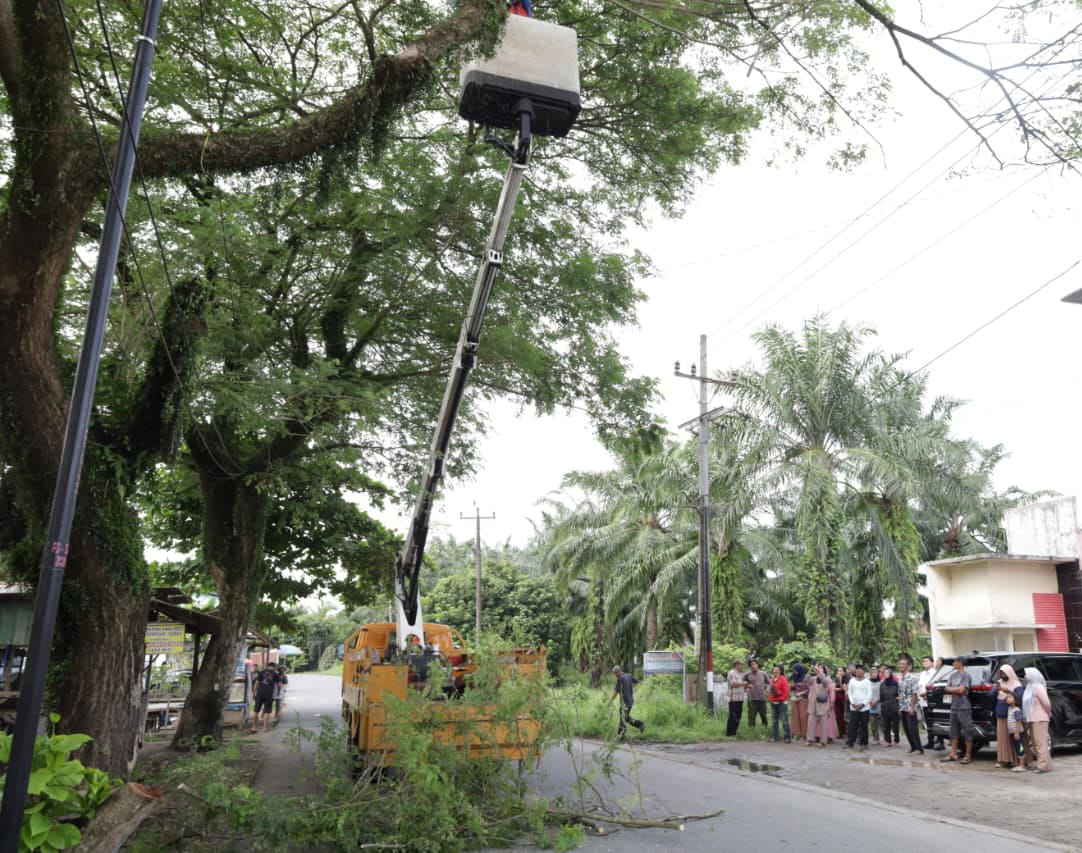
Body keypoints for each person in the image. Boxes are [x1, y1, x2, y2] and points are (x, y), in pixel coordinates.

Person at [941, 658, 975, 764]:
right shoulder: (952, 675)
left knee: (967, 731)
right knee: (953, 732)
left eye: (955, 661)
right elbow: (946, 688)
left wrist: (953, 689)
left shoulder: (966, 675)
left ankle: (968, 755)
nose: (953, 663)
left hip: (964, 707)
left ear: (960, 662)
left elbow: (962, 690)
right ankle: (953, 754)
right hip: (954, 707)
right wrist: (956, 689)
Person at [1022, 667, 1053, 773]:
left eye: (1026, 674)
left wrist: (1048, 713)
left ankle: (1043, 766)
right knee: (1035, 743)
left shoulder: (1038, 688)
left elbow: (1047, 703)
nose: (1025, 676)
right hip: (1032, 719)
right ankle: (1045, 764)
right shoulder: (1029, 688)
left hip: (1040, 718)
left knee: (1040, 742)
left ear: (1032, 675)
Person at [897, 656, 923, 754]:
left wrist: (912, 707)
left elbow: (915, 693)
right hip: (903, 707)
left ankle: (919, 749)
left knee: (913, 728)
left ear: (908, 666)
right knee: (906, 728)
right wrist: (900, 707)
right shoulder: (900, 680)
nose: (901, 666)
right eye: (900, 664)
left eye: (903, 664)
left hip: (911, 707)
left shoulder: (913, 678)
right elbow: (900, 695)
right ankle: (912, 746)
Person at [610, 665, 645, 739]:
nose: (615, 675)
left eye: (615, 674)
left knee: (623, 718)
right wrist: (630, 687)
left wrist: (610, 701)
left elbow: (616, 692)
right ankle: (622, 735)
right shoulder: (629, 675)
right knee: (624, 718)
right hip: (630, 701)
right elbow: (637, 682)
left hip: (625, 702)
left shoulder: (620, 679)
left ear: (618, 672)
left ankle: (639, 724)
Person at [917, 655, 941, 750]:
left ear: (931, 663)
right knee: (928, 722)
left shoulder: (935, 673)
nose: (924, 663)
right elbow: (920, 686)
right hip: (923, 702)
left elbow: (936, 686)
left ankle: (940, 742)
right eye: (923, 661)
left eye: (926, 661)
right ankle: (930, 741)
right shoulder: (922, 674)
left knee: (936, 722)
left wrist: (927, 694)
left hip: (932, 702)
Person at [844, 664, 871, 749]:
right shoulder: (852, 681)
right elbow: (850, 692)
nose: (858, 671)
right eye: (857, 669)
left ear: (863, 671)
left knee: (864, 726)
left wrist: (862, 704)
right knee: (852, 726)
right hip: (854, 707)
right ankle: (850, 742)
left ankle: (864, 742)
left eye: (860, 669)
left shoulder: (867, 681)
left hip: (864, 708)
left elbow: (869, 695)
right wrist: (852, 703)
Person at [806, 664, 833, 747]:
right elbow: (806, 680)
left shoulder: (827, 679)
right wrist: (810, 670)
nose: (819, 668)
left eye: (821, 667)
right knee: (810, 723)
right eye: (818, 667)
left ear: (824, 670)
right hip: (813, 704)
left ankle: (823, 741)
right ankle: (810, 740)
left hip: (823, 704)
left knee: (824, 724)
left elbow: (824, 683)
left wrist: (819, 672)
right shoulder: (814, 679)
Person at [250, 665, 279, 733]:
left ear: (267, 666)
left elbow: (256, 683)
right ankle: (265, 728)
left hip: (259, 694)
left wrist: (253, 693)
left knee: (256, 710)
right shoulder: (275, 674)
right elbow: (279, 685)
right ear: (274, 667)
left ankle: (253, 727)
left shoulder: (261, 672)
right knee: (267, 711)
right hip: (269, 695)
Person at [1004, 690, 1027, 772]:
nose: (1007, 699)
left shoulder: (1016, 710)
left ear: (1015, 700)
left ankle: (1022, 765)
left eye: (1010, 697)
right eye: (1007, 697)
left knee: (1019, 747)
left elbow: (1018, 721)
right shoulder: (1009, 709)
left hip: (1018, 732)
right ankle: (1019, 764)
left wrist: (1017, 732)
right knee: (1017, 748)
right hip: (1012, 732)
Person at [768, 664, 791, 743]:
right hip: (773, 702)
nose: (774, 669)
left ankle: (787, 737)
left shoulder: (783, 679)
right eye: (774, 668)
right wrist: (770, 698)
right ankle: (775, 737)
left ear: (780, 670)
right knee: (774, 721)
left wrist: (781, 699)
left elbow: (787, 692)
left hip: (782, 703)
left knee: (784, 720)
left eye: (776, 668)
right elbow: (771, 690)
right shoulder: (772, 679)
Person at [878, 666, 900, 747]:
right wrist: (880, 707)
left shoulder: (895, 684)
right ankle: (888, 741)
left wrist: (898, 705)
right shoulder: (882, 684)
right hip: (885, 707)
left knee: (896, 725)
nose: (886, 674)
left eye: (887, 673)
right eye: (884, 673)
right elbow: (881, 697)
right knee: (886, 725)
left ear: (891, 674)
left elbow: (899, 695)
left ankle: (896, 740)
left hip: (894, 707)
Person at [726, 660, 748, 737]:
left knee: (738, 716)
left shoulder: (740, 674)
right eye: (741, 665)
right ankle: (729, 733)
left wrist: (747, 686)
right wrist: (744, 683)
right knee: (733, 716)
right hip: (733, 698)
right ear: (736, 665)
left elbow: (741, 685)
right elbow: (734, 684)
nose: (742, 666)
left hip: (740, 698)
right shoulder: (731, 673)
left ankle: (734, 732)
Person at [745, 659, 769, 729]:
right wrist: (746, 686)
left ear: (757, 665)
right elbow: (743, 683)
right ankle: (751, 730)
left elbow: (770, 683)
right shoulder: (747, 674)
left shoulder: (763, 673)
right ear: (750, 666)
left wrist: (767, 690)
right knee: (751, 716)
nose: (753, 666)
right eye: (751, 664)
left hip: (762, 698)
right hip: (751, 699)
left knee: (763, 715)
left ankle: (765, 729)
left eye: (754, 664)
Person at [789, 663, 809, 741]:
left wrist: (801, 693)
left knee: (803, 716)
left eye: (796, 670)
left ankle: (805, 734)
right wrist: (792, 686)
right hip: (795, 698)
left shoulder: (806, 677)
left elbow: (809, 689)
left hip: (803, 698)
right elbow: (792, 688)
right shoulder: (794, 676)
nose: (795, 672)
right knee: (795, 716)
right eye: (794, 670)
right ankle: (796, 733)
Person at [867, 664, 882, 745]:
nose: (874, 673)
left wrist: (876, 701)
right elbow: (866, 693)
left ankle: (882, 738)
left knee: (879, 722)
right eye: (872, 672)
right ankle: (875, 738)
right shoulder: (867, 682)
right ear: (870, 673)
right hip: (870, 705)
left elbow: (882, 694)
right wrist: (870, 701)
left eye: (876, 672)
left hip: (879, 704)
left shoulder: (881, 682)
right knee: (873, 723)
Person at [833, 666, 848, 740]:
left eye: (841, 671)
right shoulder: (835, 679)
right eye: (838, 670)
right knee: (838, 717)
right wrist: (837, 688)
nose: (839, 672)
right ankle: (841, 733)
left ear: (844, 672)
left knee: (843, 716)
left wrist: (840, 679)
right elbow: (833, 688)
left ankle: (845, 732)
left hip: (843, 699)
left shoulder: (846, 679)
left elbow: (843, 688)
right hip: (836, 699)